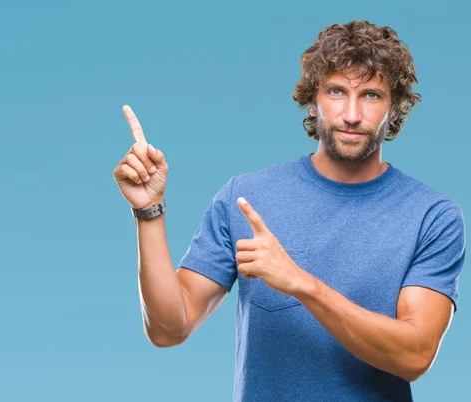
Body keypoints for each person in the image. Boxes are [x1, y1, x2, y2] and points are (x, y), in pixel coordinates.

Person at [112, 20, 466, 401]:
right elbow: (169, 329)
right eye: (336, 91)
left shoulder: (433, 216)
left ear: (394, 109)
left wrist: (300, 283)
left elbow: (415, 355)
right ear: (313, 102)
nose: (350, 114)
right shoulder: (245, 198)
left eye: (370, 96)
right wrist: (149, 210)